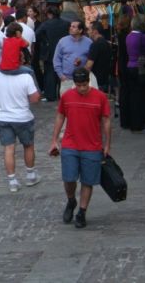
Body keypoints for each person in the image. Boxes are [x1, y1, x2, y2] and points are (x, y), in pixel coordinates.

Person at [49, 67, 111, 229]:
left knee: (87, 181)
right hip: (70, 144)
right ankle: (71, 200)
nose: (82, 88)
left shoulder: (100, 97)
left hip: (92, 146)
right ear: (74, 84)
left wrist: (107, 144)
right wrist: (54, 140)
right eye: (79, 85)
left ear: (88, 82)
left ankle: (82, 212)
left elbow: (106, 120)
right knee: (68, 178)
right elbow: (60, 115)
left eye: (84, 85)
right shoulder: (67, 97)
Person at [0, 61, 41, 192]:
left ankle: (12, 181)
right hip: (23, 117)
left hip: (4, 117)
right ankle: (30, 175)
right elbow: (35, 98)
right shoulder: (26, 76)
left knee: (9, 148)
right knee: (28, 145)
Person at [122, 16, 145, 133]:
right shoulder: (143, 37)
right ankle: (139, 125)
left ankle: (134, 123)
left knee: (133, 97)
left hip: (130, 67)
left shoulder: (129, 36)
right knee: (141, 98)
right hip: (141, 69)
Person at [36, 7, 70, 101]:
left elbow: (37, 35)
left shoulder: (46, 24)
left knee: (50, 74)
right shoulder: (66, 23)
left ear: (50, 14)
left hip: (49, 51)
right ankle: (63, 94)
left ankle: (50, 95)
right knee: (62, 72)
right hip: (64, 51)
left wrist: (45, 41)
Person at [54, 20, 94, 95]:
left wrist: (81, 61)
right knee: (67, 104)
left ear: (80, 30)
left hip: (83, 81)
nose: (70, 28)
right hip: (67, 79)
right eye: (71, 26)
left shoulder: (89, 42)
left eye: (74, 27)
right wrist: (61, 75)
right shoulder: (62, 41)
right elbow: (56, 59)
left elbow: (91, 60)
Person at [85, 22, 112, 95]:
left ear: (95, 31)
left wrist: (82, 74)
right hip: (104, 79)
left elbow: (89, 65)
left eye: (89, 29)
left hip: (95, 80)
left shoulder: (95, 45)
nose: (88, 32)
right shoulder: (107, 44)